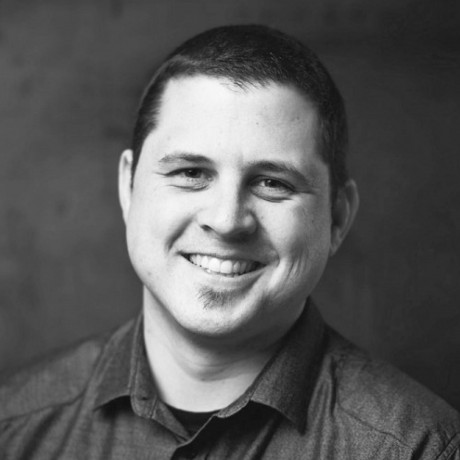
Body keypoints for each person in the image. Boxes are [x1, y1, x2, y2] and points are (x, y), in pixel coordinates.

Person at [0, 24, 459, 459]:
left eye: (272, 183)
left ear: (337, 218)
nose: (226, 221)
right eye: (190, 173)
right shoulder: (12, 428)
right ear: (128, 188)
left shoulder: (419, 448)